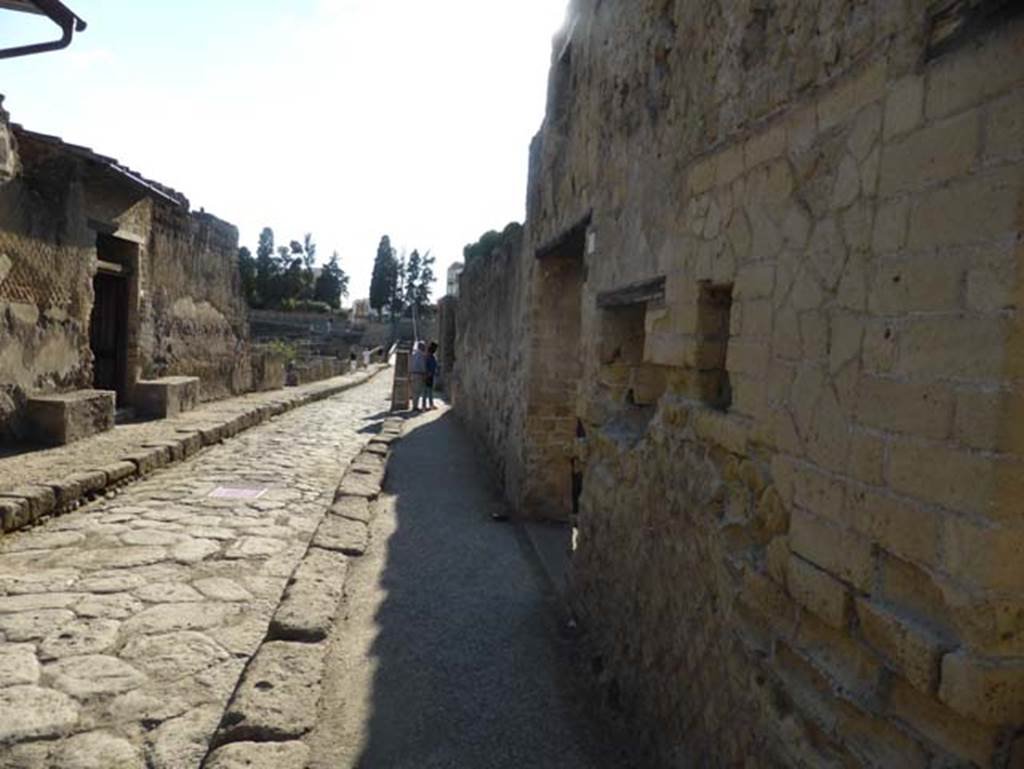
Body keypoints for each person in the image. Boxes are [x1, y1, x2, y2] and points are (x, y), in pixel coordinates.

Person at [409, 340, 427, 411]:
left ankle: (414, 405)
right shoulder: (422, 356)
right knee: (417, 391)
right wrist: (425, 373)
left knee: (413, 390)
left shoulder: (413, 354)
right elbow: (422, 366)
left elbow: (410, 364)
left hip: (412, 374)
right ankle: (415, 407)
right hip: (419, 374)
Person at [424, 341, 439, 410]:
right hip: (429, 375)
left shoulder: (429, 356)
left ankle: (429, 405)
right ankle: (428, 405)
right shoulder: (429, 356)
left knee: (428, 391)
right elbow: (428, 366)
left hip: (430, 375)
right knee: (427, 391)